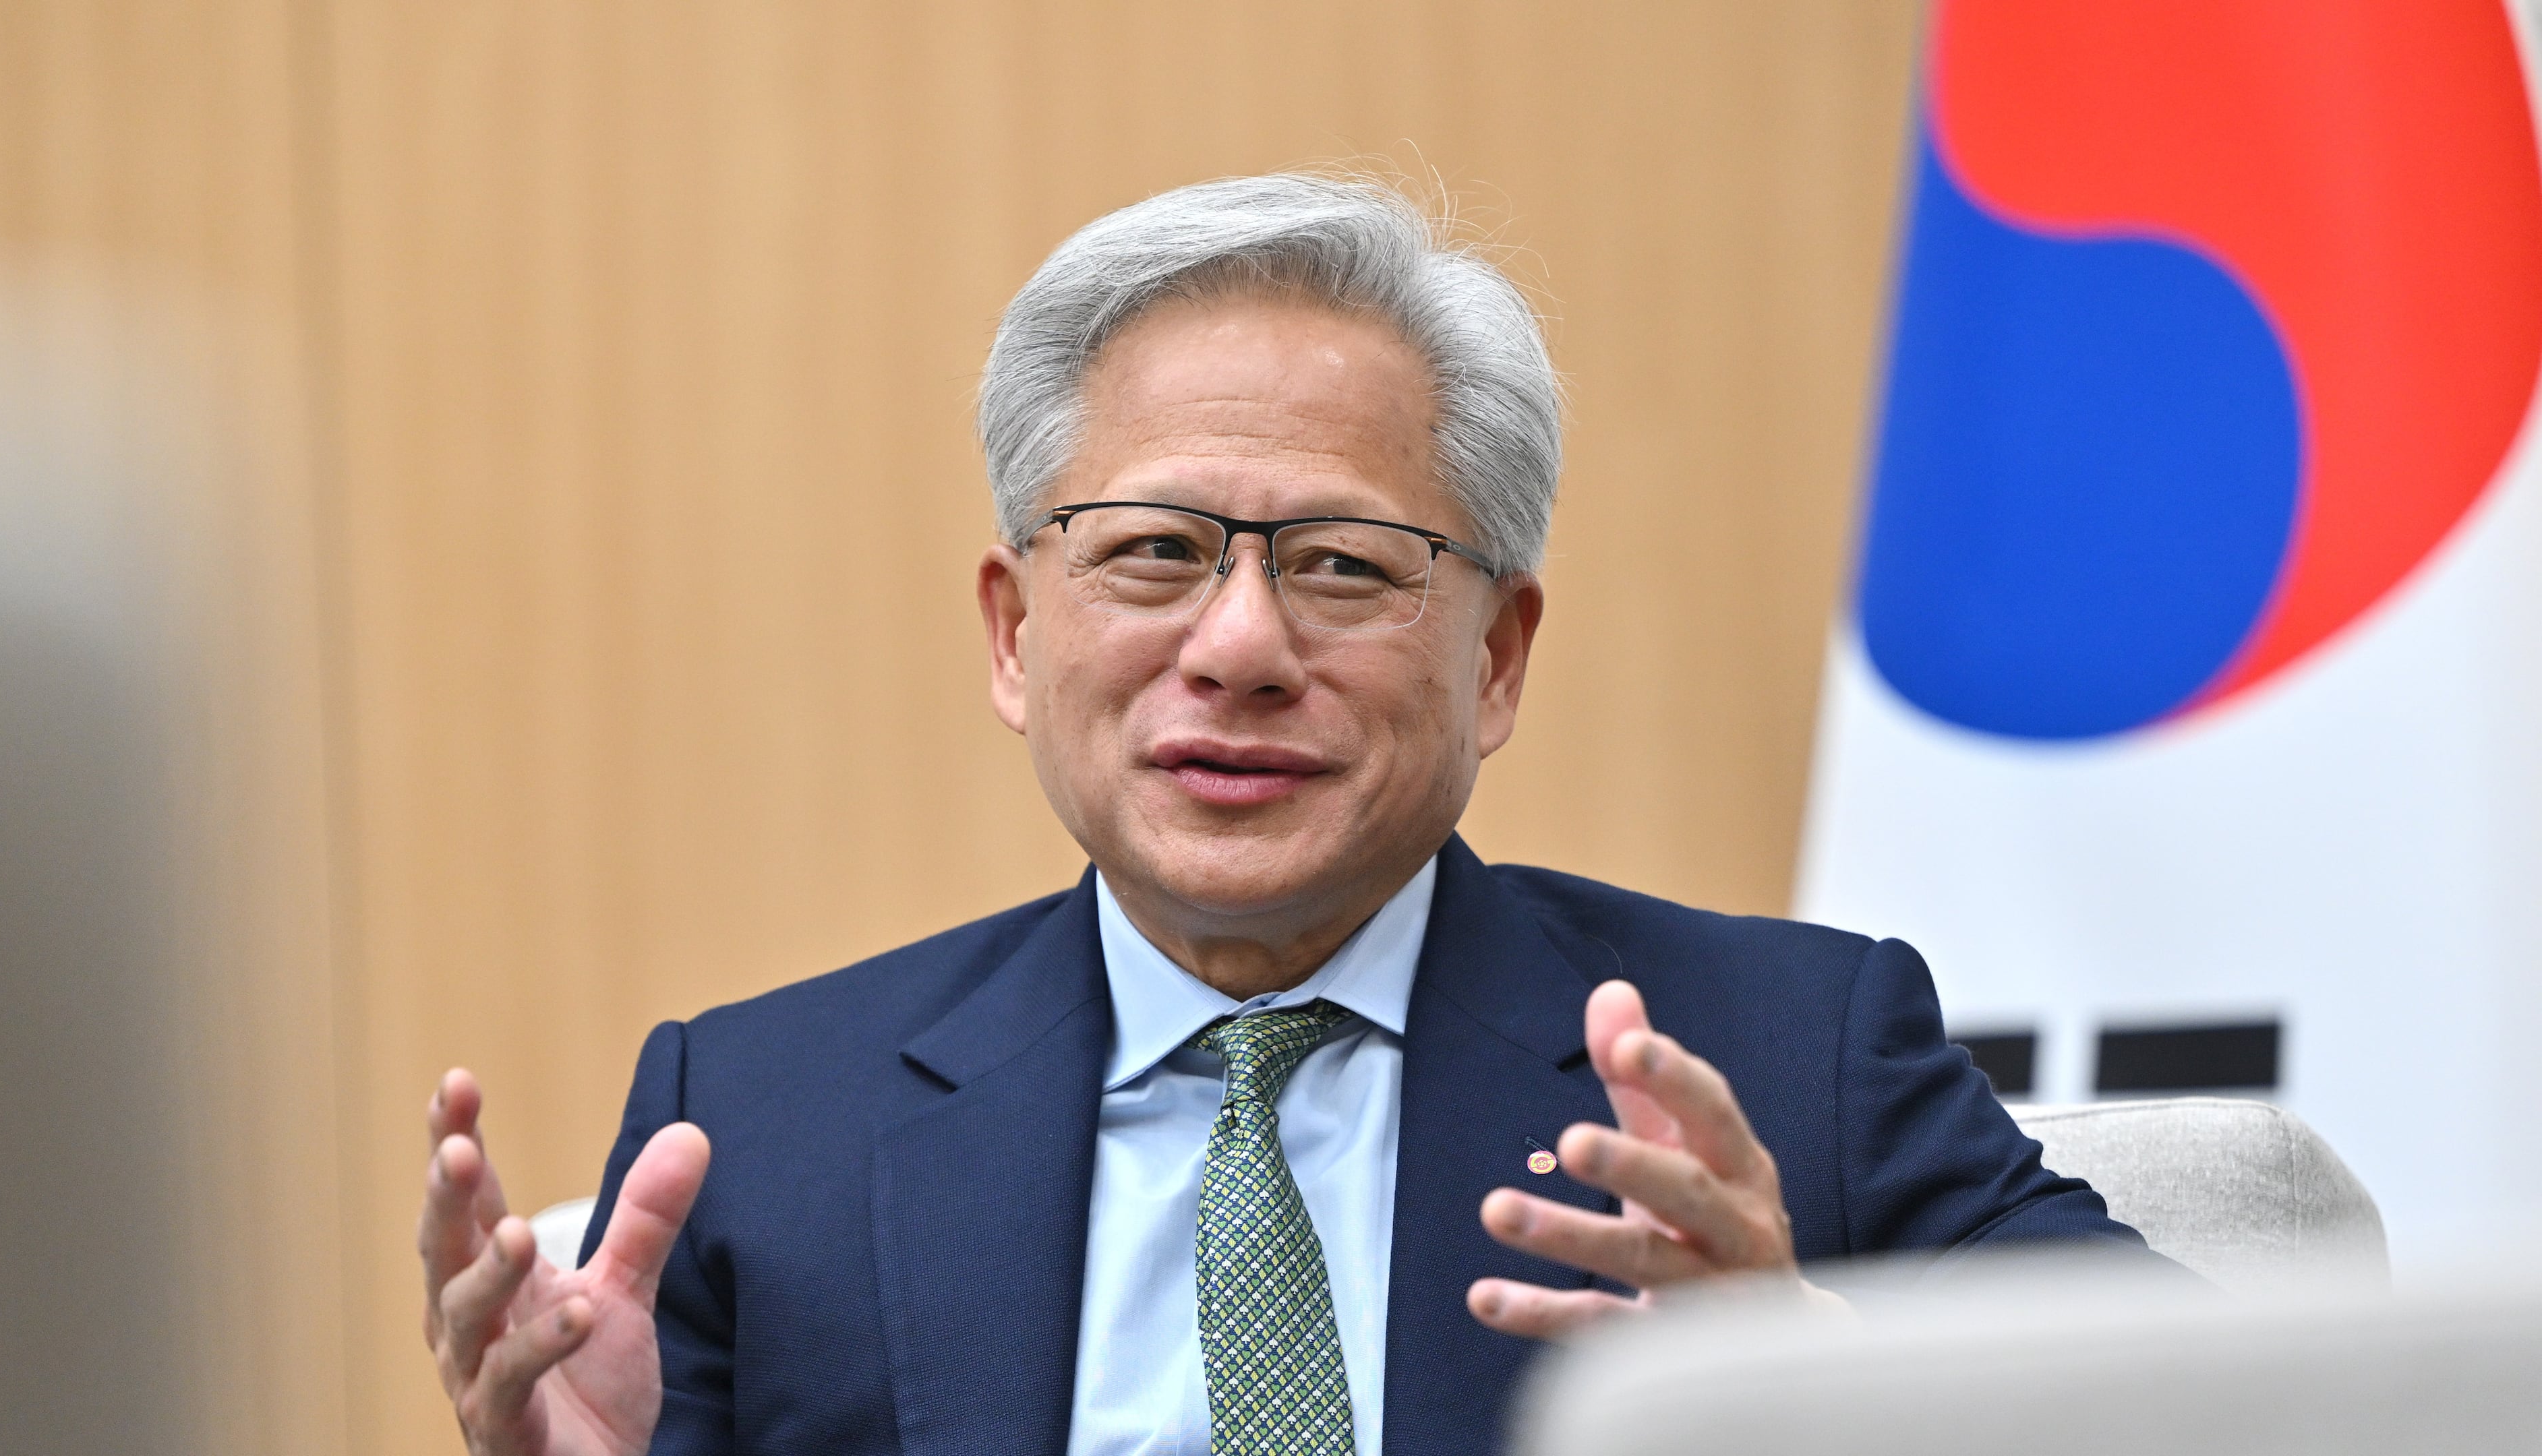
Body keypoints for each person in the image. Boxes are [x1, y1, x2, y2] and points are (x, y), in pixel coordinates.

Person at [417, 171, 2152, 1456]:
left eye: (1342, 568)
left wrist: (1808, 1377)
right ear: (1018, 636)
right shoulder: (756, 1127)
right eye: (1156, 553)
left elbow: (2231, 1404)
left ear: (1496, 658)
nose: (1238, 649)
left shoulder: (1790, 1060)